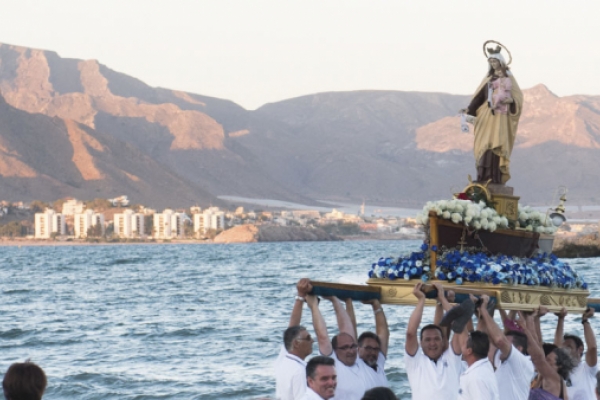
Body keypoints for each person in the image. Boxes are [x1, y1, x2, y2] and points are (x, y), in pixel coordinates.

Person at [462, 43, 523, 184]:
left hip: (500, 118)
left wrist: (511, 100)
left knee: (496, 145)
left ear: (501, 62)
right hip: (486, 116)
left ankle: (494, 177)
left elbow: (518, 97)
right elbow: (478, 98)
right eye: (491, 62)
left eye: (495, 61)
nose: (494, 64)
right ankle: (482, 176)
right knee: (484, 145)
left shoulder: (509, 80)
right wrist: (469, 112)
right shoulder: (488, 80)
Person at [405, 282, 467, 400]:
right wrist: (421, 300)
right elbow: (410, 333)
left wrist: (443, 300)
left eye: (436, 339)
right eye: (427, 340)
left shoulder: (452, 358)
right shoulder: (415, 362)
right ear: (420, 343)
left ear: (444, 341)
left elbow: (460, 327)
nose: (432, 343)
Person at [313, 295, 379, 400]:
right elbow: (322, 337)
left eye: (352, 346)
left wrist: (338, 300)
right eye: (345, 348)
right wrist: (314, 306)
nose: (350, 351)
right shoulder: (332, 364)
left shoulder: (358, 360)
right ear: (335, 350)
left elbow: (349, 328)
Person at [477, 295, 534, 400]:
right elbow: (482, 341)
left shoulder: (524, 363)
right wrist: (482, 312)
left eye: (508, 344)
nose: (501, 348)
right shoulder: (502, 358)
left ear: (519, 349)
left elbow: (499, 340)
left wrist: (484, 310)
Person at [275, 278, 319, 400]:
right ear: (296, 344)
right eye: (308, 338)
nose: (312, 341)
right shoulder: (300, 371)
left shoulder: (284, 359)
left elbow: (292, 327)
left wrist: (300, 296)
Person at [517, 311, 576, 400]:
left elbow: (538, 358)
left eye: (548, 360)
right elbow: (537, 342)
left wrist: (524, 329)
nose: (544, 362)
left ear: (559, 366)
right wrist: (530, 318)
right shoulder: (540, 377)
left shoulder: (555, 379)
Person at [554, 307, 598, 400]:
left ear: (580, 349)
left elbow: (592, 347)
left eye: (569, 347)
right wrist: (560, 319)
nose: (565, 351)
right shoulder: (561, 369)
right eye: (564, 348)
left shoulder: (587, 369)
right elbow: (556, 348)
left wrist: (585, 320)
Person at [345, 298, 390, 388]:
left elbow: (384, 334)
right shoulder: (356, 364)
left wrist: (376, 305)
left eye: (375, 349)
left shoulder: (378, 363)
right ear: (358, 348)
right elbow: (350, 331)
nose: (372, 352)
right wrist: (348, 302)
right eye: (368, 348)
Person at [458, 330, 500, 400]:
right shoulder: (483, 367)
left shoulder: (476, 378)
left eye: (463, 344)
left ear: (469, 351)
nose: (460, 346)